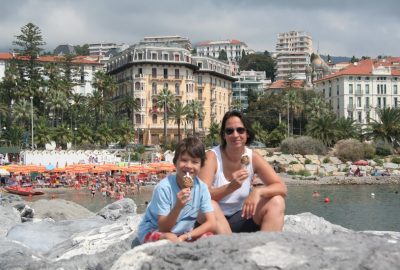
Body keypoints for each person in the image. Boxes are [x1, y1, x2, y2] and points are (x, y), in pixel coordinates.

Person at [199, 110, 287, 233]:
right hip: (213, 220)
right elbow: (201, 196)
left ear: (247, 134)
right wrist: (230, 187)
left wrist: (258, 192)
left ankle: (266, 249)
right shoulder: (212, 157)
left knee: (277, 201)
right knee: (211, 205)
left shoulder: (252, 157)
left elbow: (281, 187)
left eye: (240, 130)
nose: (235, 135)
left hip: (239, 217)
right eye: (229, 131)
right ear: (224, 135)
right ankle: (229, 246)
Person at [137, 137, 216, 244]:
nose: (188, 166)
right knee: (171, 239)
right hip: (155, 230)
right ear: (175, 162)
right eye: (184, 160)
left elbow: (211, 222)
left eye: (195, 162)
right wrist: (178, 207)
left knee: (210, 238)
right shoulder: (164, 188)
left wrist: (186, 236)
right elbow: (163, 227)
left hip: (183, 233)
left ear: (201, 165)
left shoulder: (201, 188)